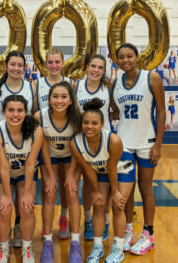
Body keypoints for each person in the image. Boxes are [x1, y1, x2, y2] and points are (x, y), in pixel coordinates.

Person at [112, 43, 166, 255]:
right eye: (122, 58)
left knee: (145, 188)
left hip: (146, 142)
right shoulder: (116, 82)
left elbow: (162, 113)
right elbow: (116, 110)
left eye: (130, 56)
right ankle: (127, 229)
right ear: (117, 61)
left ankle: (148, 234)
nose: (126, 60)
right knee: (125, 192)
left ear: (136, 57)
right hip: (124, 144)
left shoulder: (151, 78)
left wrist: (158, 144)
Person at [67, 98, 135, 263]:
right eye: (86, 123)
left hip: (122, 167)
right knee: (98, 204)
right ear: (81, 124)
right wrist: (96, 191)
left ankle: (118, 249)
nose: (89, 126)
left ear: (102, 124)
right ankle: (97, 248)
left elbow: (113, 168)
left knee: (118, 206)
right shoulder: (75, 143)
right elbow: (88, 168)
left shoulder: (113, 140)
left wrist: (116, 192)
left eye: (94, 123)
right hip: (100, 170)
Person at [0, 50, 37, 248]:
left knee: (24, 200)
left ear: (24, 68)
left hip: (24, 139)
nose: (16, 68)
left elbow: (33, 111)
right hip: (3, 140)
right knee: (5, 203)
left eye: (20, 65)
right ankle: (3, 244)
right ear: (6, 66)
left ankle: (19, 227)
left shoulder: (31, 87)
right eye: (13, 64)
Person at [0, 95, 43, 263]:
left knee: (27, 207)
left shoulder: (36, 130)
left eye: (19, 110)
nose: (15, 114)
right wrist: (6, 196)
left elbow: (30, 164)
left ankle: (28, 249)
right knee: (4, 209)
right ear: (4, 112)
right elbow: (4, 166)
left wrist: (27, 193)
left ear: (26, 112)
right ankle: (3, 249)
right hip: (3, 172)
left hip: (25, 172)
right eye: (11, 110)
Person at [34, 81, 82, 263]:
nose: (59, 100)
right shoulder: (41, 116)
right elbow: (43, 146)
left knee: (71, 190)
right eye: (55, 96)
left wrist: (70, 175)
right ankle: (47, 243)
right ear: (49, 99)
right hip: (50, 156)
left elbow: (78, 146)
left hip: (72, 155)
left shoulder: (78, 117)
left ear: (71, 100)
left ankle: (75, 244)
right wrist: (51, 176)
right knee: (49, 191)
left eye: (64, 97)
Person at [35, 48, 73, 240]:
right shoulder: (37, 84)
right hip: (46, 142)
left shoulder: (71, 84)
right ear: (45, 64)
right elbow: (34, 110)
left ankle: (64, 217)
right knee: (47, 187)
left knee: (67, 185)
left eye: (57, 62)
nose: (54, 66)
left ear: (62, 63)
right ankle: (46, 223)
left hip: (65, 141)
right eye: (50, 62)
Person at [75, 54, 112, 242]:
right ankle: (88, 219)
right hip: (85, 141)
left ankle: (105, 221)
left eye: (100, 68)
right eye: (93, 66)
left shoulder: (109, 87)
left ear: (104, 70)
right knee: (88, 183)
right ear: (87, 66)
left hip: (105, 142)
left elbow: (115, 109)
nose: (96, 70)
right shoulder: (77, 86)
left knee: (106, 185)